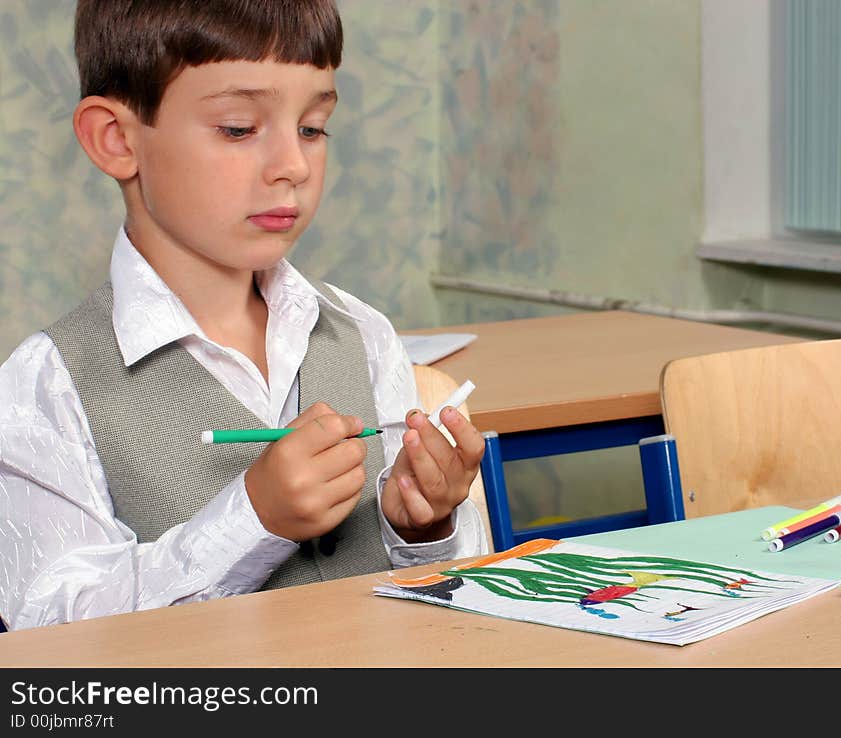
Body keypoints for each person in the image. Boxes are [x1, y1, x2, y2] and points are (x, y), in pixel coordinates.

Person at [0, 0, 488, 632]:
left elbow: (448, 595)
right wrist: (252, 520)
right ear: (117, 140)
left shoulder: (360, 333)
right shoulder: (49, 386)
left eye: (312, 128)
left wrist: (424, 524)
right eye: (238, 128)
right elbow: (51, 632)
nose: (293, 165)